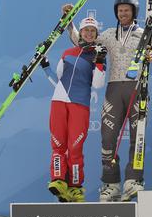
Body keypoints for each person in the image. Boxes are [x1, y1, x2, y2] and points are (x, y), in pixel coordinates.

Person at [63, 0, 152, 202]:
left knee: (137, 137)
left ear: (134, 12)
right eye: (120, 10)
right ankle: (111, 184)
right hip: (114, 90)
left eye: (127, 10)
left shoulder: (145, 33)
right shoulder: (108, 34)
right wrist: (70, 22)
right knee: (108, 138)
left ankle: (134, 180)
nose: (123, 13)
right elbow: (83, 42)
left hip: (137, 90)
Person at [42, 17, 107, 202]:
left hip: (80, 105)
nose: (88, 33)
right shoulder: (68, 52)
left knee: (74, 147)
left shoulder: (96, 55)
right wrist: (46, 68)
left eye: (92, 31)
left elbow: (97, 84)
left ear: (96, 35)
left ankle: (76, 187)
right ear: (81, 33)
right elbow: (58, 81)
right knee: (58, 145)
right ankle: (58, 180)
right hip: (58, 102)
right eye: (86, 30)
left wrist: (100, 62)